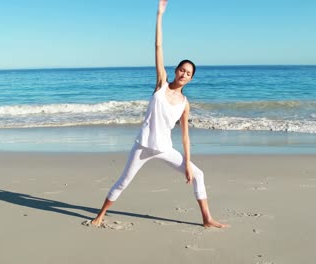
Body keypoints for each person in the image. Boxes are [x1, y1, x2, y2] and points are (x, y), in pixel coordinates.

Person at [91, 0, 228, 228]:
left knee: (198, 174)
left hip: (165, 148)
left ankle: (207, 219)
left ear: (191, 78)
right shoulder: (161, 84)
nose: (184, 74)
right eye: (182, 70)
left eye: (189, 73)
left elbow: (185, 136)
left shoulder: (185, 103)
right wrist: (159, 15)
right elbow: (158, 47)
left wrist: (187, 163)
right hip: (143, 146)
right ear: (175, 71)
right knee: (123, 182)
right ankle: (100, 214)